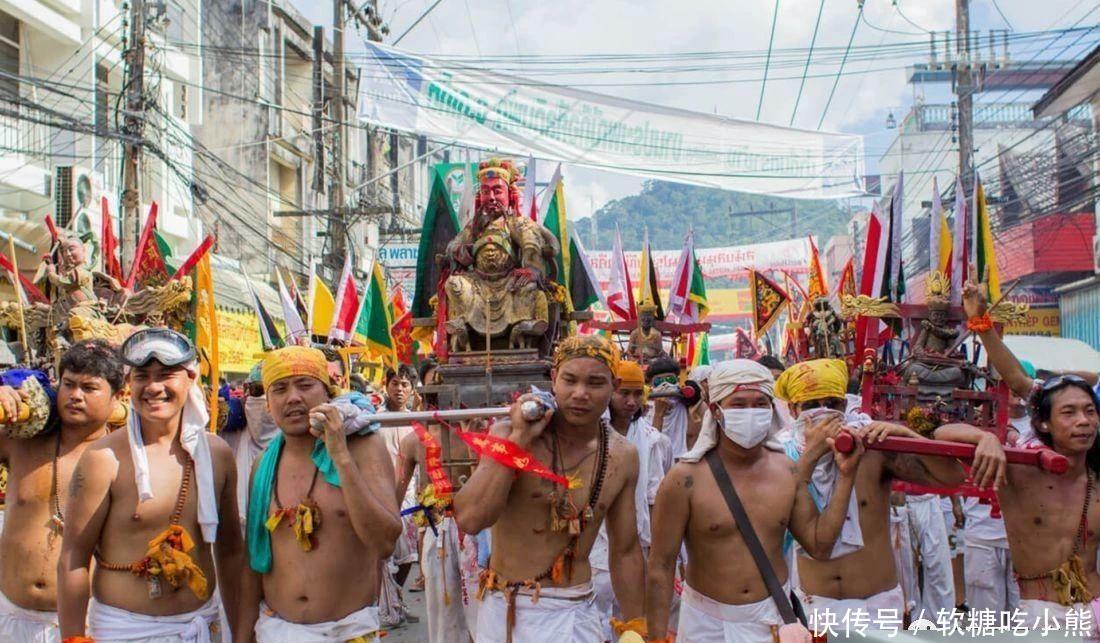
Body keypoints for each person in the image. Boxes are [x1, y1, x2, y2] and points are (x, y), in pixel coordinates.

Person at [930, 273, 1100, 636]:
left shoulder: (1097, 473)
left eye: (1090, 412)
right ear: (1044, 423)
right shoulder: (1020, 467)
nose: (1083, 422)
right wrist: (984, 439)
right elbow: (940, 433)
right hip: (1041, 616)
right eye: (1069, 413)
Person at [646, 359, 862, 642]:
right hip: (705, 623)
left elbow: (819, 545)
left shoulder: (787, 471)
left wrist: (846, 477)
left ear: (772, 409)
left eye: (760, 403)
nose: (751, 412)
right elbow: (661, 566)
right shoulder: (684, 479)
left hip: (771, 617)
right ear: (716, 411)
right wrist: (656, 638)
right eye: (739, 404)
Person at [453, 335, 647, 642]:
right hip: (505, 609)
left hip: (573, 612)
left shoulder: (623, 455)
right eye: (570, 380)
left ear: (614, 385)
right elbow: (471, 519)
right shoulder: (508, 434)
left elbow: (625, 551)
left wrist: (636, 627)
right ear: (554, 379)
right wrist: (518, 440)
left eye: (595, 383)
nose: (580, 394)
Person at [58, 328, 243, 641]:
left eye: (166, 375)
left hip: (201, 626)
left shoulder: (217, 455)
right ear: (130, 383)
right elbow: (74, 559)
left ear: (191, 377)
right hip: (124, 630)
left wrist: (241, 632)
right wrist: (74, 638)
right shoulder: (103, 459)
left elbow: (231, 553)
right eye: (143, 376)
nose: (154, 387)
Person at [773, 358, 974, 631]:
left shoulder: (873, 447)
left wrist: (905, 434)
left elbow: (952, 476)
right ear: (794, 410)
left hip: (877, 605)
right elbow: (777, 517)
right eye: (811, 406)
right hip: (816, 606)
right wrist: (811, 454)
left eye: (832, 403)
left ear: (845, 405)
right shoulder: (782, 457)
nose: (824, 412)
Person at [235, 345, 402, 641]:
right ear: (269, 403)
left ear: (328, 392)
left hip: (349, 633)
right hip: (276, 631)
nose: (293, 397)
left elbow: (385, 543)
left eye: (305, 385)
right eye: (280, 389)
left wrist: (341, 456)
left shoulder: (364, 448)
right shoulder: (262, 465)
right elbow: (253, 565)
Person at [0, 341, 122, 641]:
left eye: (89, 388)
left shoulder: (124, 458)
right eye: (69, 384)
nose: (75, 396)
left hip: (84, 623)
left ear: (117, 396)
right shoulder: (21, 441)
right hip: (8, 614)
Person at [396, 390, 479, 642]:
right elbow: (396, 494)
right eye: (433, 393)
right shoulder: (413, 440)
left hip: (475, 529)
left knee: (480, 606)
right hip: (438, 531)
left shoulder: (477, 431)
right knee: (441, 608)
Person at [592, 360, 666, 639]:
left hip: (636, 547)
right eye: (625, 394)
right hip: (593, 552)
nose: (632, 402)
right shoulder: (590, 438)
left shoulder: (651, 440)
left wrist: (657, 554)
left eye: (638, 394)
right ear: (611, 391)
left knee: (633, 625)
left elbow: (653, 496)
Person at [376, 364, 421, 627]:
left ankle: (396, 598)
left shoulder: (418, 422)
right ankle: (386, 606)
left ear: (412, 390)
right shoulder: (374, 419)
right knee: (384, 554)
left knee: (408, 555)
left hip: (409, 498)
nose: (400, 388)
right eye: (395, 383)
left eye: (405, 384)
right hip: (380, 493)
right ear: (386, 385)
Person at [647, 356, 690, 462]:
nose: (665, 385)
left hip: (681, 459)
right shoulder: (646, 408)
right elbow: (652, 443)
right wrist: (658, 413)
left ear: (678, 380)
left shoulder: (685, 403)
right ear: (650, 384)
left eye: (670, 380)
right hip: (658, 461)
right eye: (659, 382)